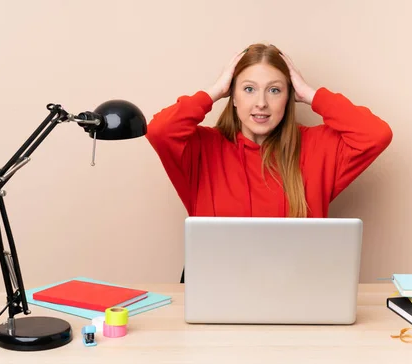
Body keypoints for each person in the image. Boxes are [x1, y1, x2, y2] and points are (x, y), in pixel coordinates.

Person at [146, 43, 393, 282]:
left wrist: (311, 94)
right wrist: (213, 92)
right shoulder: (201, 149)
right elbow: (159, 130)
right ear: (232, 97)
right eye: (248, 89)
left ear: (289, 97)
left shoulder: (316, 148)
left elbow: (375, 134)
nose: (261, 103)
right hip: (217, 289)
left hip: (296, 292)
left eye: (274, 90)